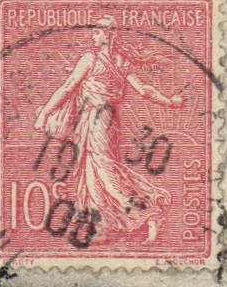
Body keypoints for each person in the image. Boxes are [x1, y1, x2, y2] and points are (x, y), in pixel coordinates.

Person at [33, 17, 186, 242]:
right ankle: (101, 226)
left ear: (108, 34)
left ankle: (149, 212)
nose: (93, 36)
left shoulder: (90, 58)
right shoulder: (122, 62)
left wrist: (45, 113)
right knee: (92, 171)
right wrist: (170, 101)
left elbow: (67, 87)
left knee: (104, 172)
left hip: (97, 120)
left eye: (97, 32)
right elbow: (144, 90)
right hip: (107, 121)